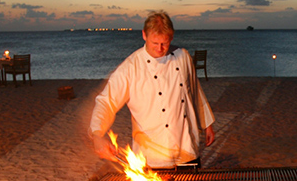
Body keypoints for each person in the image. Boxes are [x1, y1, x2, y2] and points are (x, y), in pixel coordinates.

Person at [90, 11, 215, 168]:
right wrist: (97, 135)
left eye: (165, 43)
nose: (160, 48)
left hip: (186, 149)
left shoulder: (183, 57)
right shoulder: (130, 67)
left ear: (172, 37)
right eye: (155, 43)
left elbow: (195, 92)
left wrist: (207, 124)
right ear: (144, 35)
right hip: (151, 158)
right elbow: (106, 102)